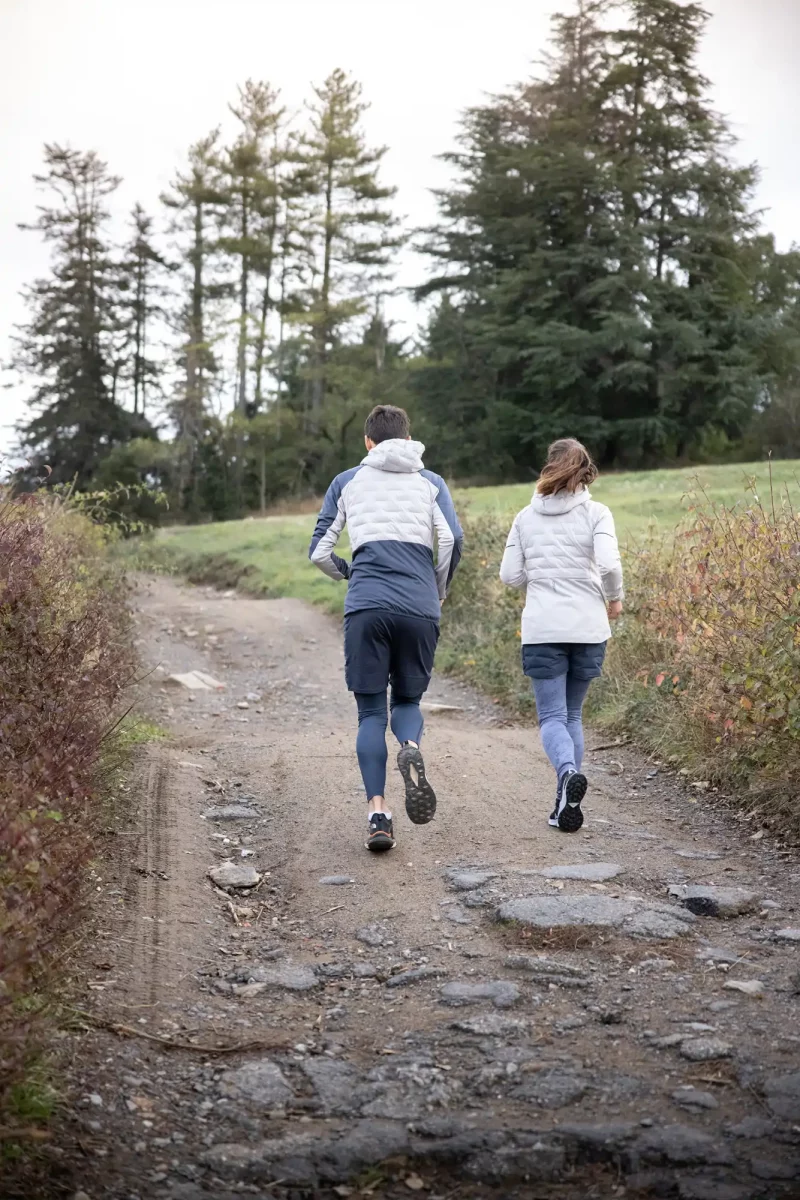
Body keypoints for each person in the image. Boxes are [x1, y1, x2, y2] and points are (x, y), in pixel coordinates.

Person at [309, 404, 463, 852]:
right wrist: (436, 589)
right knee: (409, 700)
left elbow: (319, 550)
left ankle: (378, 811)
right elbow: (452, 540)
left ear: (368, 442)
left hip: (367, 606)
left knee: (371, 713)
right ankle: (410, 743)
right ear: (408, 439)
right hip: (419, 605)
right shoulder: (430, 482)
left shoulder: (347, 481)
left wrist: (346, 571)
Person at [499, 438, 623, 832]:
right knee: (573, 714)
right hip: (588, 627)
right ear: (586, 471)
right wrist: (615, 600)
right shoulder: (597, 513)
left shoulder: (525, 517)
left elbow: (510, 576)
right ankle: (562, 803)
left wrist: (542, 575)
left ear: (548, 467)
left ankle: (568, 775)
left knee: (552, 716)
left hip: (543, 628)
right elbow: (607, 564)